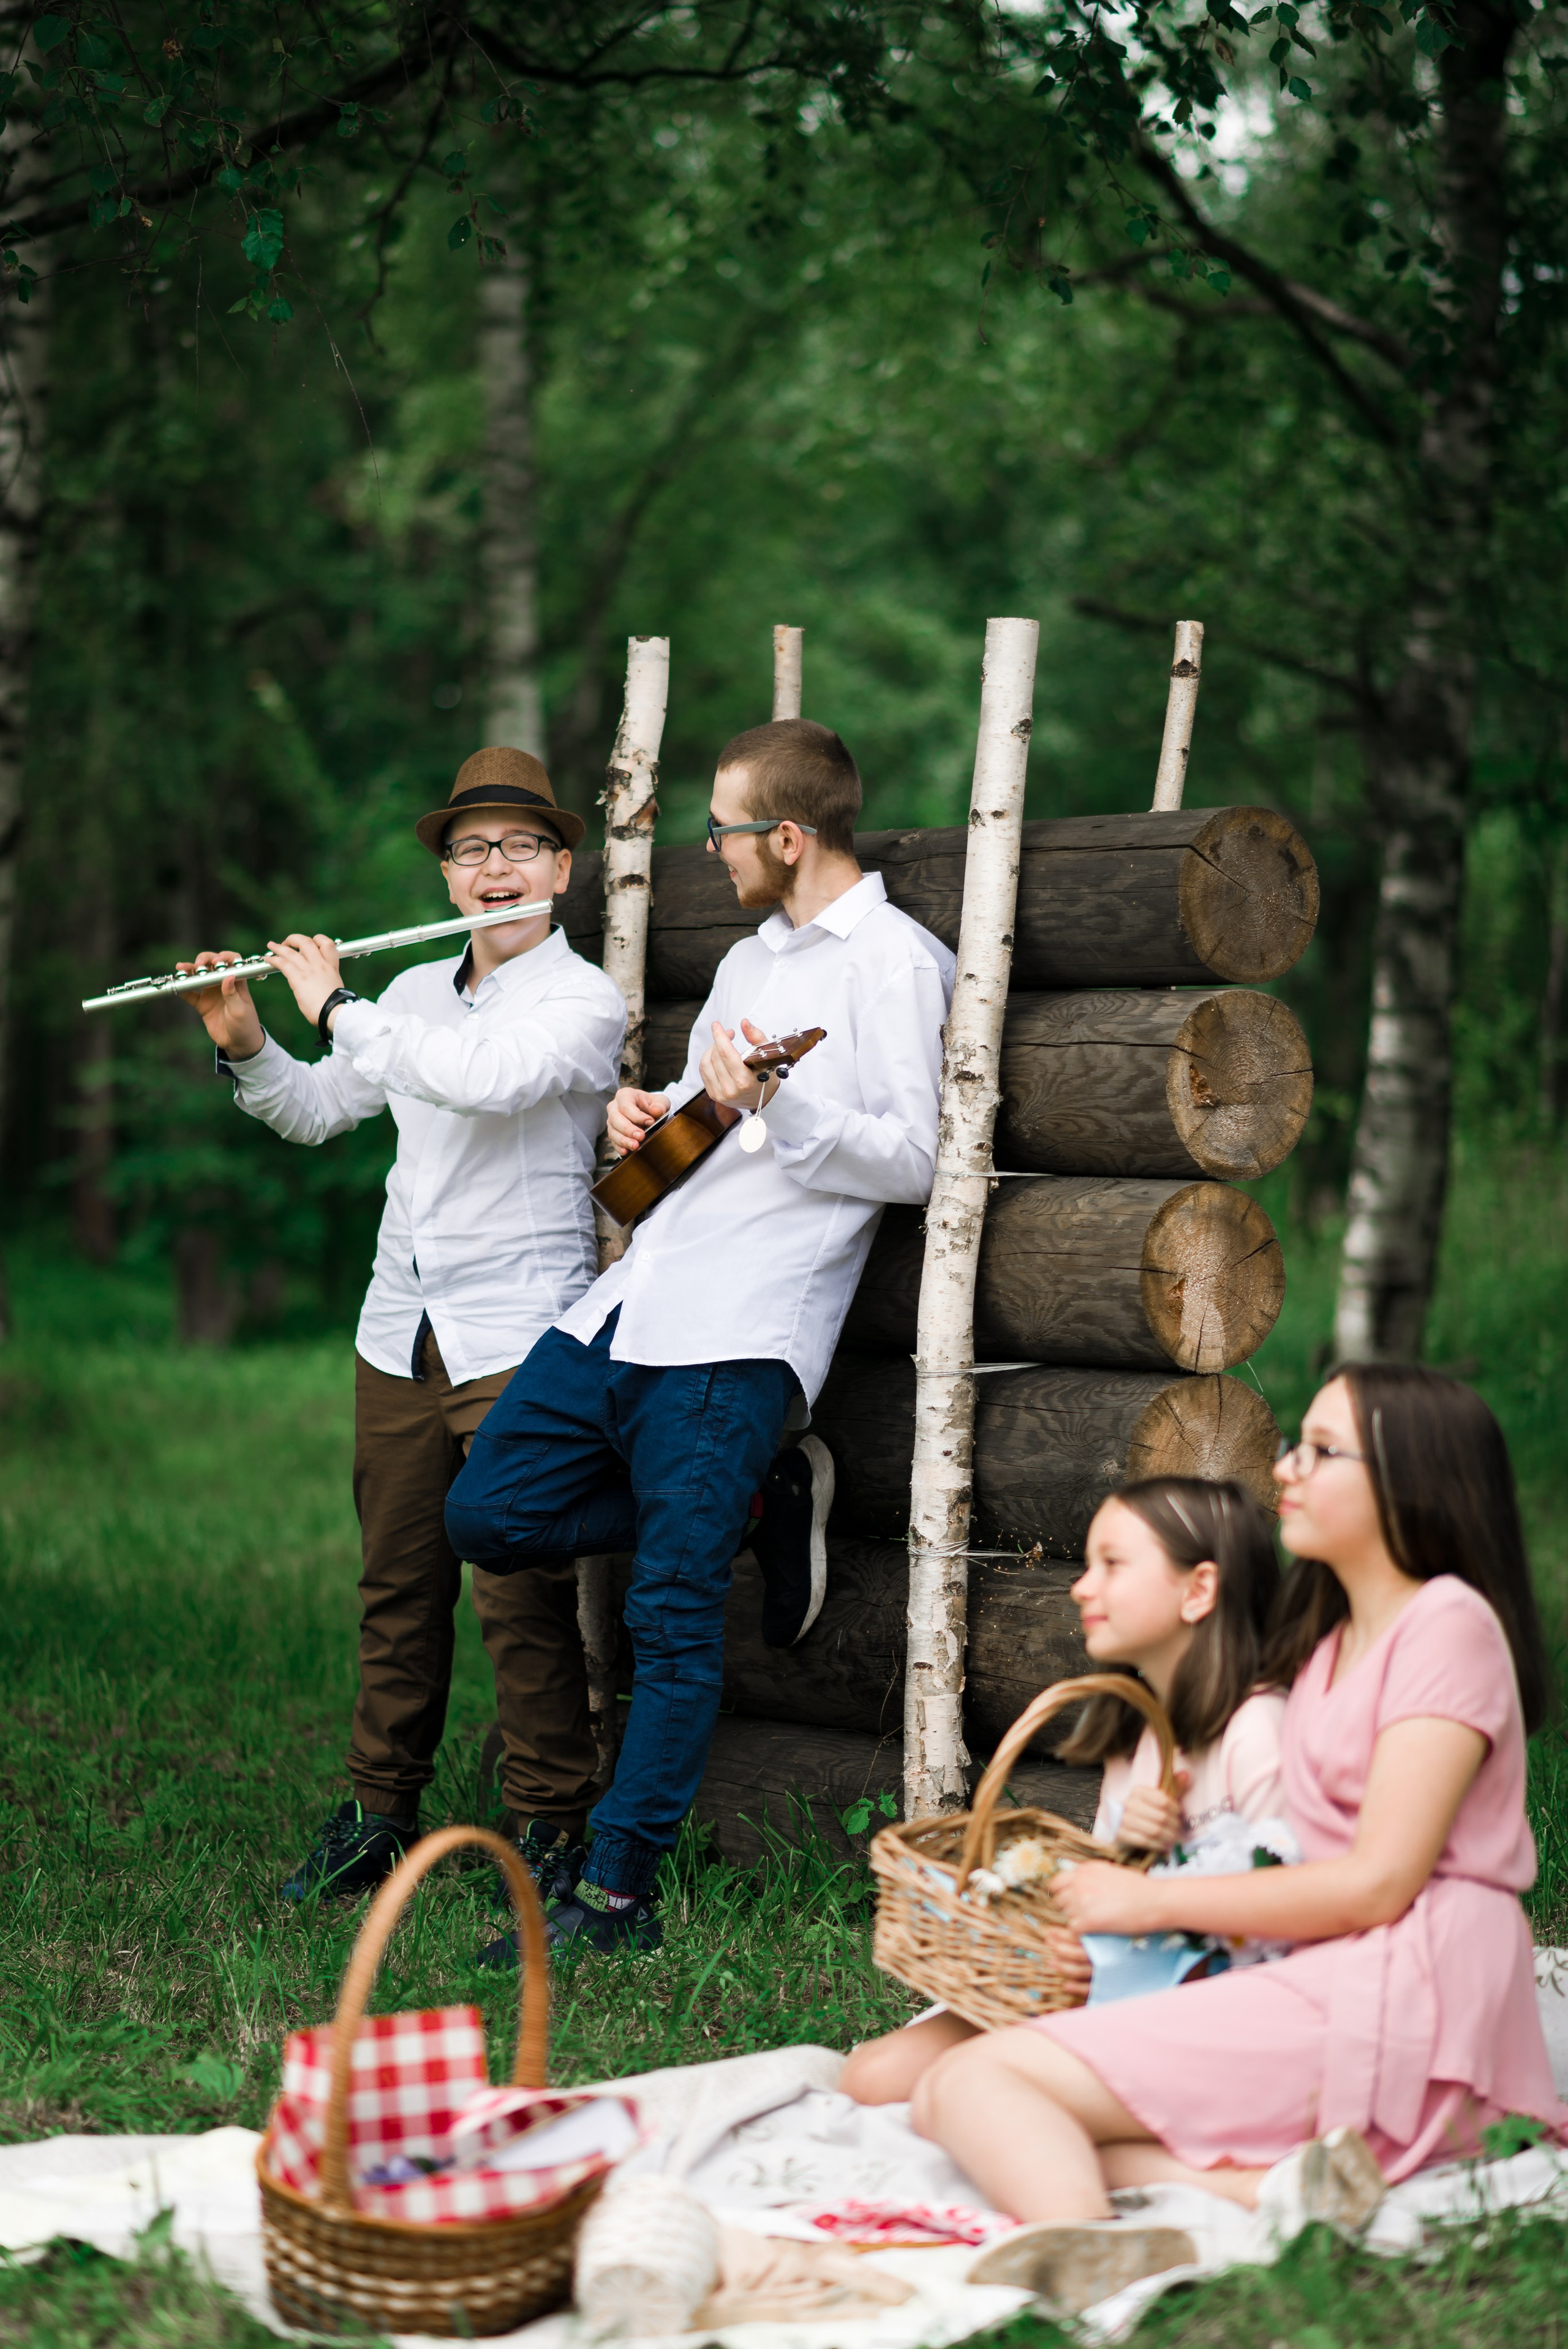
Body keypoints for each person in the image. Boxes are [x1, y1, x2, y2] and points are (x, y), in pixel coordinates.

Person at [446, 717, 956, 1956]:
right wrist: (653, 1112)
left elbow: (913, 1156)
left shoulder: (895, 962)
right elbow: (702, 1114)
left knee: (668, 1615)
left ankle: (615, 1893)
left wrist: (784, 1109)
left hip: (742, 1326)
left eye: (724, 827)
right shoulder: (748, 962)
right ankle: (757, 1503)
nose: (710, 848)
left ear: (787, 836)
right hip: (633, 1304)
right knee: (487, 1512)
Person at [910, 1365, 1567, 2311]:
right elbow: (1288, 1844)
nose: (1287, 1466)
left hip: (1416, 1980)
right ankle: (1264, 2191)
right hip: (1337, 1965)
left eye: (1321, 1449)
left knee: (983, 2081)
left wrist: (1150, 1901)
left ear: (1408, 1480)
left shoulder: (1449, 1626)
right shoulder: (1336, 1641)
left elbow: (1380, 1880)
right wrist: (1167, 1844)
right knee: (948, 2095)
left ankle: (1090, 2256)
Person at [179, 750, 627, 1904]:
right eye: (470, 849)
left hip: (518, 1335)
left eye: (519, 846)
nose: (493, 868)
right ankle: (380, 1814)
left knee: (519, 1596)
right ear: (444, 874)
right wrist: (247, 1037)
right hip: (401, 1330)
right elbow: (320, 1109)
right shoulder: (419, 992)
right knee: (397, 1584)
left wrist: (334, 1003)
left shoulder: (582, 1001)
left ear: (562, 867)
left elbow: (481, 1079)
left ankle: (550, 1829)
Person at [842, 1476, 1288, 2105]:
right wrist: (1075, 1937)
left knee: (960, 2091)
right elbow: (1100, 1902)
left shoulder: (1258, 1735)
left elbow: (1291, 1913)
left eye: (1112, 1564)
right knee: (872, 2076)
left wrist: (1149, 1901)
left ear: (1200, 1589)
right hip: (1102, 1989)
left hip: (1204, 2011)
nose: (1081, 1587)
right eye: (1087, 1564)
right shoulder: (1136, 1738)